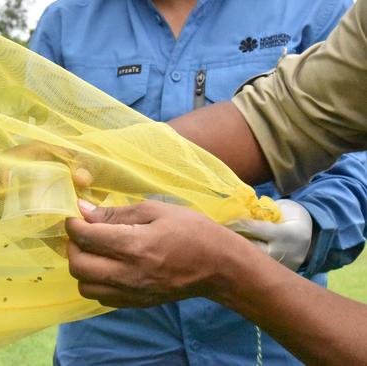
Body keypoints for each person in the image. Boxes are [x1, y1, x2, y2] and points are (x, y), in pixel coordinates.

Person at [27, 0, 364, 364]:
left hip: (270, 337)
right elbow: (283, 113)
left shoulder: (316, 8)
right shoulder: (65, 22)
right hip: (109, 341)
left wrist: (309, 224)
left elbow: (346, 157)